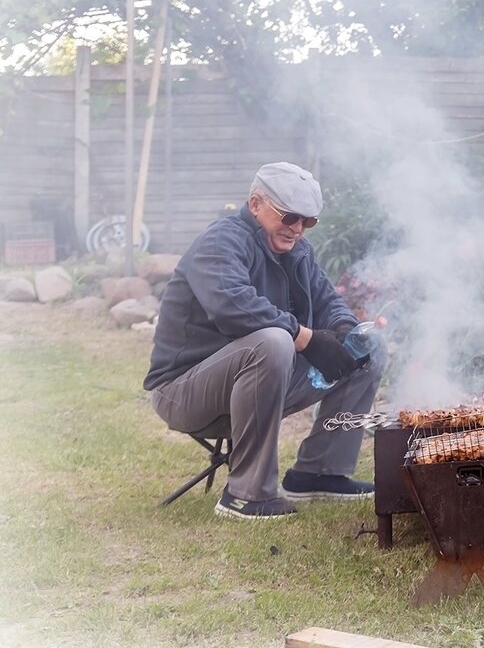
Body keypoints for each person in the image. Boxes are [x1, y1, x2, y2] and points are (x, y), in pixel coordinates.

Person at [145, 162, 387, 520]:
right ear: (255, 204)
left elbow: (328, 302)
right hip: (183, 390)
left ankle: (319, 474)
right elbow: (233, 307)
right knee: (276, 341)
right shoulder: (220, 242)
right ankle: (245, 495)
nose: (298, 230)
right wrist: (307, 338)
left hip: (256, 383)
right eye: (290, 217)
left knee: (369, 344)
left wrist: (344, 333)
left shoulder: (297, 251)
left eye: (308, 221)